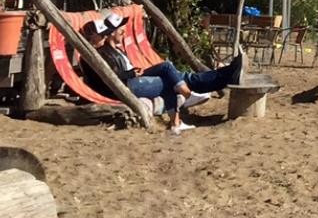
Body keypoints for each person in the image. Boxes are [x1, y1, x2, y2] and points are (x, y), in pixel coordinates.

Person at [78, 13, 243, 134]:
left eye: (102, 34)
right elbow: (110, 79)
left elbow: (114, 73)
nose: (101, 38)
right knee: (174, 77)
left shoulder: (108, 51)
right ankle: (215, 80)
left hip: (131, 80)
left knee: (169, 69)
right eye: (99, 35)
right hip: (127, 87)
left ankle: (220, 76)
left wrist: (132, 73)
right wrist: (132, 75)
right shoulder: (94, 56)